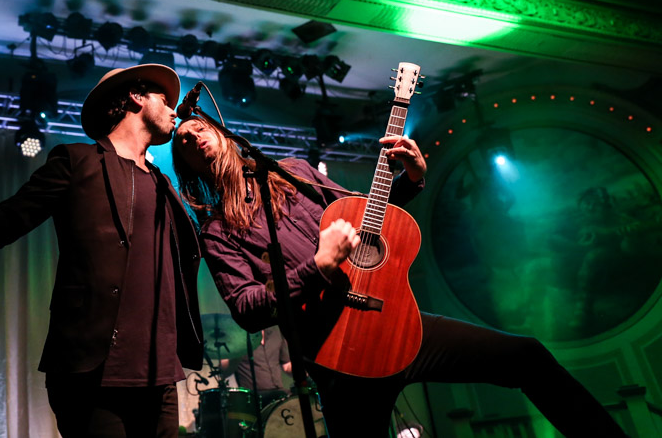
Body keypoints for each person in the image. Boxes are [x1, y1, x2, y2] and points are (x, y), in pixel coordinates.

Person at [171, 115, 628, 438]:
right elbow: (248, 309)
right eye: (184, 141)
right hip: (339, 351)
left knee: (527, 356)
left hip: (400, 323)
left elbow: (370, 221)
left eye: (200, 127)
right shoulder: (216, 231)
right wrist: (318, 266)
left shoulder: (294, 173)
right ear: (187, 167)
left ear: (223, 132)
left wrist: (411, 178)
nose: (193, 136)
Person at [0, 64, 203, 437]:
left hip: (160, 376)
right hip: (92, 373)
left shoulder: (163, 185)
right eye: (164, 98)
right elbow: (15, 215)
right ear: (135, 97)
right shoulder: (77, 161)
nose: (175, 109)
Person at [234, 327, 291, 408]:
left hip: (279, 393)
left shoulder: (275, 330)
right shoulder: (238, 335)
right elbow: (224, 370)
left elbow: (286, 365)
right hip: (254, 398)